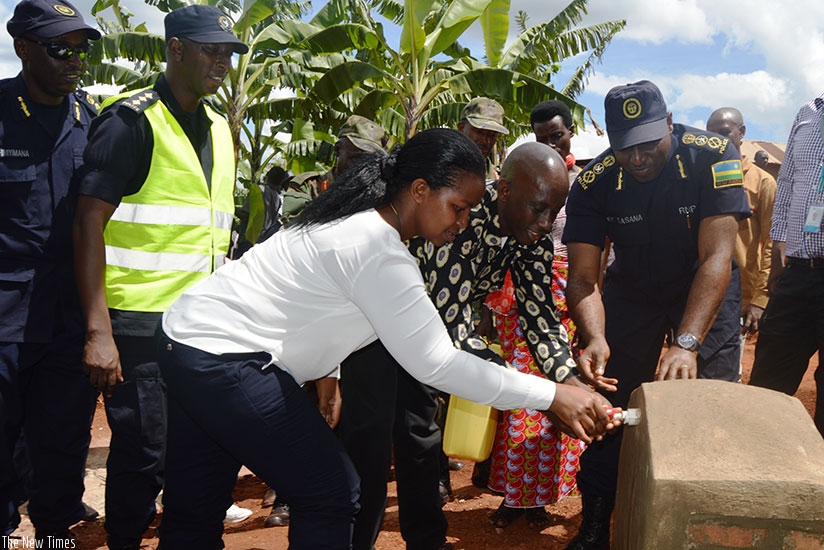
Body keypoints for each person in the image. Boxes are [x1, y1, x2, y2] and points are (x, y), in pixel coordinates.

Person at [154, 128, 617, 550]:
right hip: (230, 358)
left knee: (195, 507)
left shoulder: (356, 223)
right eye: (458, 208)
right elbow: (439, 360)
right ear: (419, 191)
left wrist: (569, 379)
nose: (462, 221)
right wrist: (552, 395)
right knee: (334, 490)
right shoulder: (380, 251)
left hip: (187, 340)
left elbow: (308, 304)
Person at [337, 140, 606, 550]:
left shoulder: (529, 239)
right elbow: (452, 331)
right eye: (538, 207)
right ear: (505, 191)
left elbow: (540, 317)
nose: (545, 221)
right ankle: (356, 541)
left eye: (554, 210)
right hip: (374, 330)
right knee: (369, 440)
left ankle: (426, 540)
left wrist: (572, 380)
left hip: (426, 341)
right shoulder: (460, 218)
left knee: (421, 438)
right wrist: (551, 396)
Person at [72, 6, 248, 549]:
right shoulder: (130, 121)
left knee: (194, 447)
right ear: (175, 49)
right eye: (210, 50)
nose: (222, 61)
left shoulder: (221, 127)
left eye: (227, 52)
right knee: (144, 449)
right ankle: (124, 539)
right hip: (138, 322)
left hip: (200, 325)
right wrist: (99, 330)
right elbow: (87, 223)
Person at [563, 80, 750, 549]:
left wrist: (686, 342)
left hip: (704, 285)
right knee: (611, 397)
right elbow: (584, 277)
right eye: (626, 149)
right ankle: (594, 522)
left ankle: (704, 519)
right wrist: (596, 336)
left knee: (711, 397)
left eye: (649, 143)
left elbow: (717, 257)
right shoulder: (593, 181)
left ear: (669, 124)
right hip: (635, 289)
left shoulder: (715, 154)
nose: (638, 158)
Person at [0, 0, 101, 544]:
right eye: (61, 48)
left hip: (69, 320)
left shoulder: (92, 121)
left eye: (82, 48)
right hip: (4, 315)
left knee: (62, 441)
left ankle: (54, 534)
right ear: (23, 47)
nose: (75, 60)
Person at [481, 100, 585, 530]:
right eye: (542, 138)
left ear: (570, 131)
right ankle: (516, 494)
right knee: (521, 395)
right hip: (514, 300)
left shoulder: (583, 184)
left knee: (554, 393)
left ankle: (540, 494)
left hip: (561, 300)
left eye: (556, 136)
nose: (551, 144)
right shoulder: (482, 206)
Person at [749, 94, 824, 437]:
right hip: (798, 271)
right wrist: (780, 258)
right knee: (768, 381)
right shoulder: (808, 112)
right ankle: (760, 469)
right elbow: (789, 185)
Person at [706, 107, 776, 368]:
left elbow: (771, 241)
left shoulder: (762, 183)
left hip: (740, 298)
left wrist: (759, 299)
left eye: (724, 133)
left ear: (741, 132)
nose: (718, 141)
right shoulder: (701, 178)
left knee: (726, 374)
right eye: (710, 135)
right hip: (701, 293)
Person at [284, 114, 386, 225]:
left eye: (369, 161)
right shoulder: (308, 186)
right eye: (356, 159)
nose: (362, 167)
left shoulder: (380, 193)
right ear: (337, 149)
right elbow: (293, 227)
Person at [457, 97, 509, 180]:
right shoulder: (439, 169)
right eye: (479, 132)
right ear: (461, 129)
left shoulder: (496, 179)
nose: (486, 141)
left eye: (493, 135)